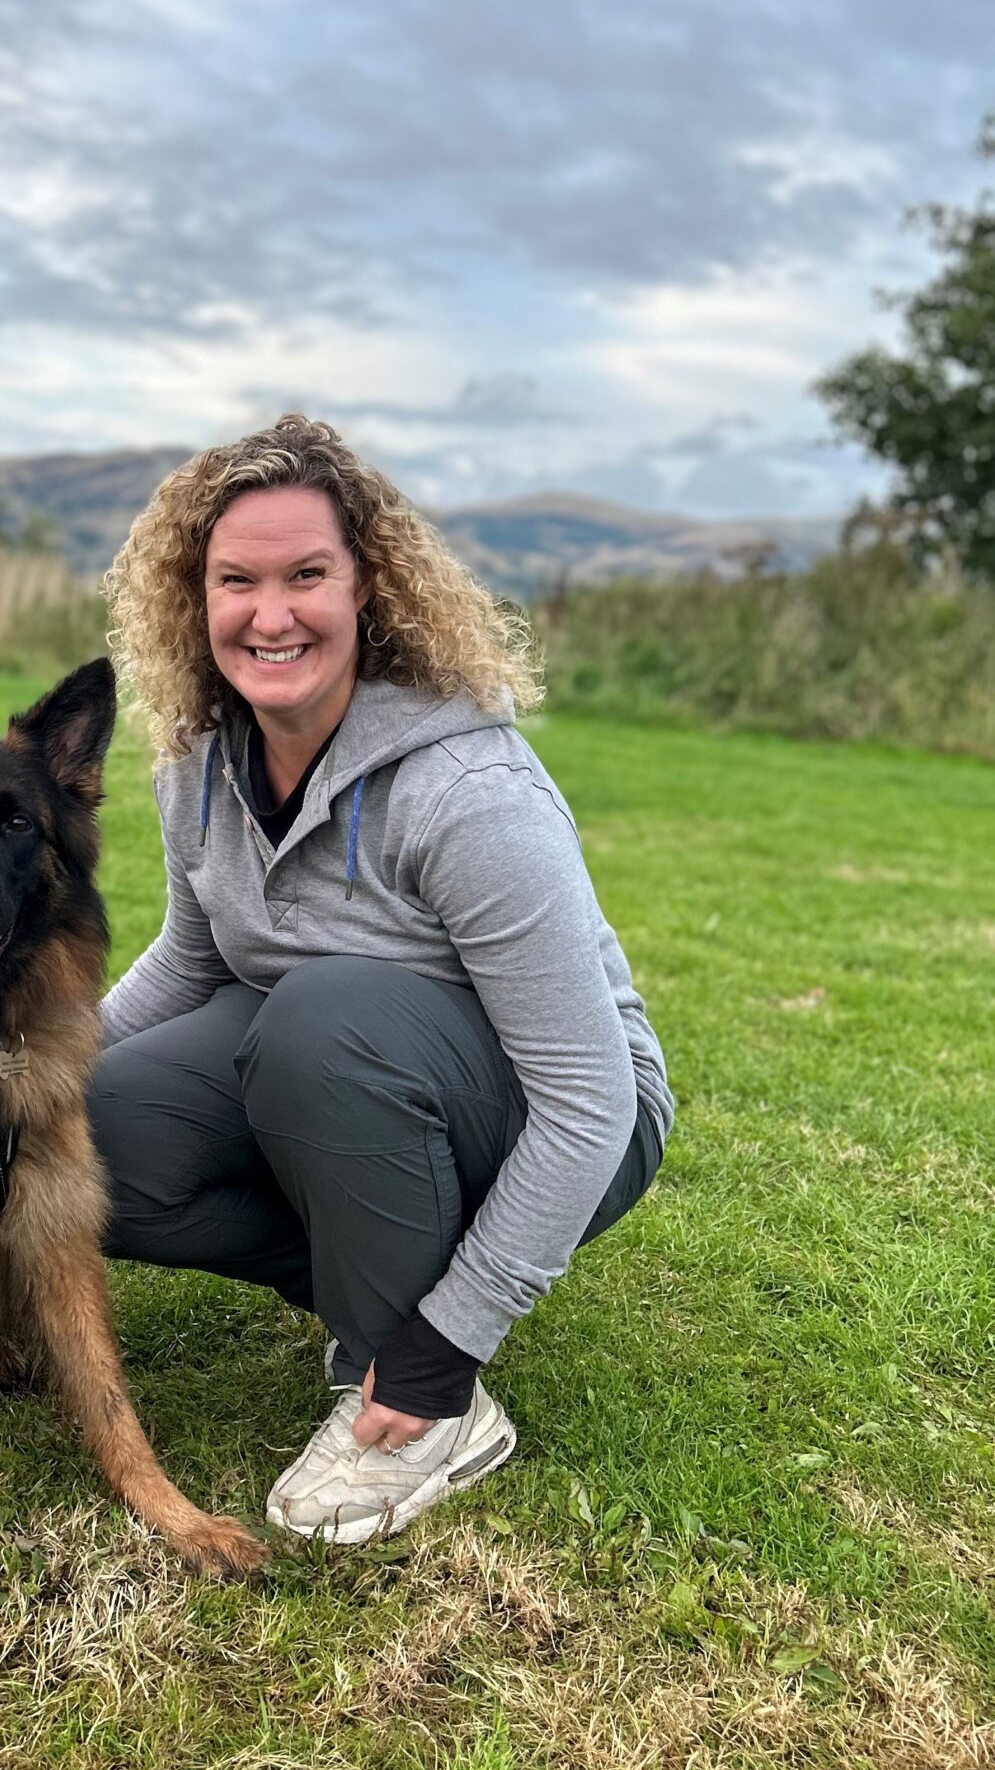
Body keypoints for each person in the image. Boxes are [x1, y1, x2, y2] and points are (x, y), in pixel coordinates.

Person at [88, 414, 673, 1545]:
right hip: (337, 1064)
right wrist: (31, 1076)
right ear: (191, 599)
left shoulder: (469, 793)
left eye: (308, 574)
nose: (271, 614)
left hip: (571, 1113)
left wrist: (448, 1338)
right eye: (236, 581)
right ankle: (388, 1274)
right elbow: (194, 960)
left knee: (321, 1019)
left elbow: (591, 1098)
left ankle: (426, 1399)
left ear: (369, 588)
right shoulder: (195, 768)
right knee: (90, 1139)